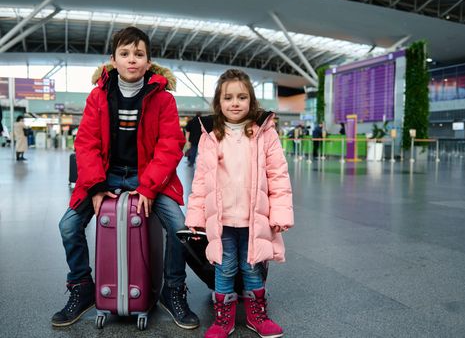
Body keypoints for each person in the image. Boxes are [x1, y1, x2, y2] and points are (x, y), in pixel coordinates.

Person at [51, 26, 199, 330]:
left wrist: (149, 186)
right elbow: (86, 143)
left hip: (148, 178)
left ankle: (172, 290)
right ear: (113, 60)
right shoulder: (98, 96)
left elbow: (170, 144)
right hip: (106, 176)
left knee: (180, 229)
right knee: (68, 225)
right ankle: (82, 288)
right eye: (125, 53)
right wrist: (95, 185)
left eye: (138, 54)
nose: (132, 59)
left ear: (148, 61)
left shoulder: (163, 99)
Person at [185, 69, 294, 338]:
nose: (235, 103)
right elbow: (201, 180)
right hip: (221, 219)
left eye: (242, 97)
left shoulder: (264, 133)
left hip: (253, 217)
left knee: (252, 266)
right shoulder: (211, 136)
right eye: (229, 97)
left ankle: (257, 315)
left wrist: (280, 212)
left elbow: (278, 174)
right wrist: (196, 217)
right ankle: (224, 319)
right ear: (219, 103)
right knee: (224, 266)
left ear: (251, 101)